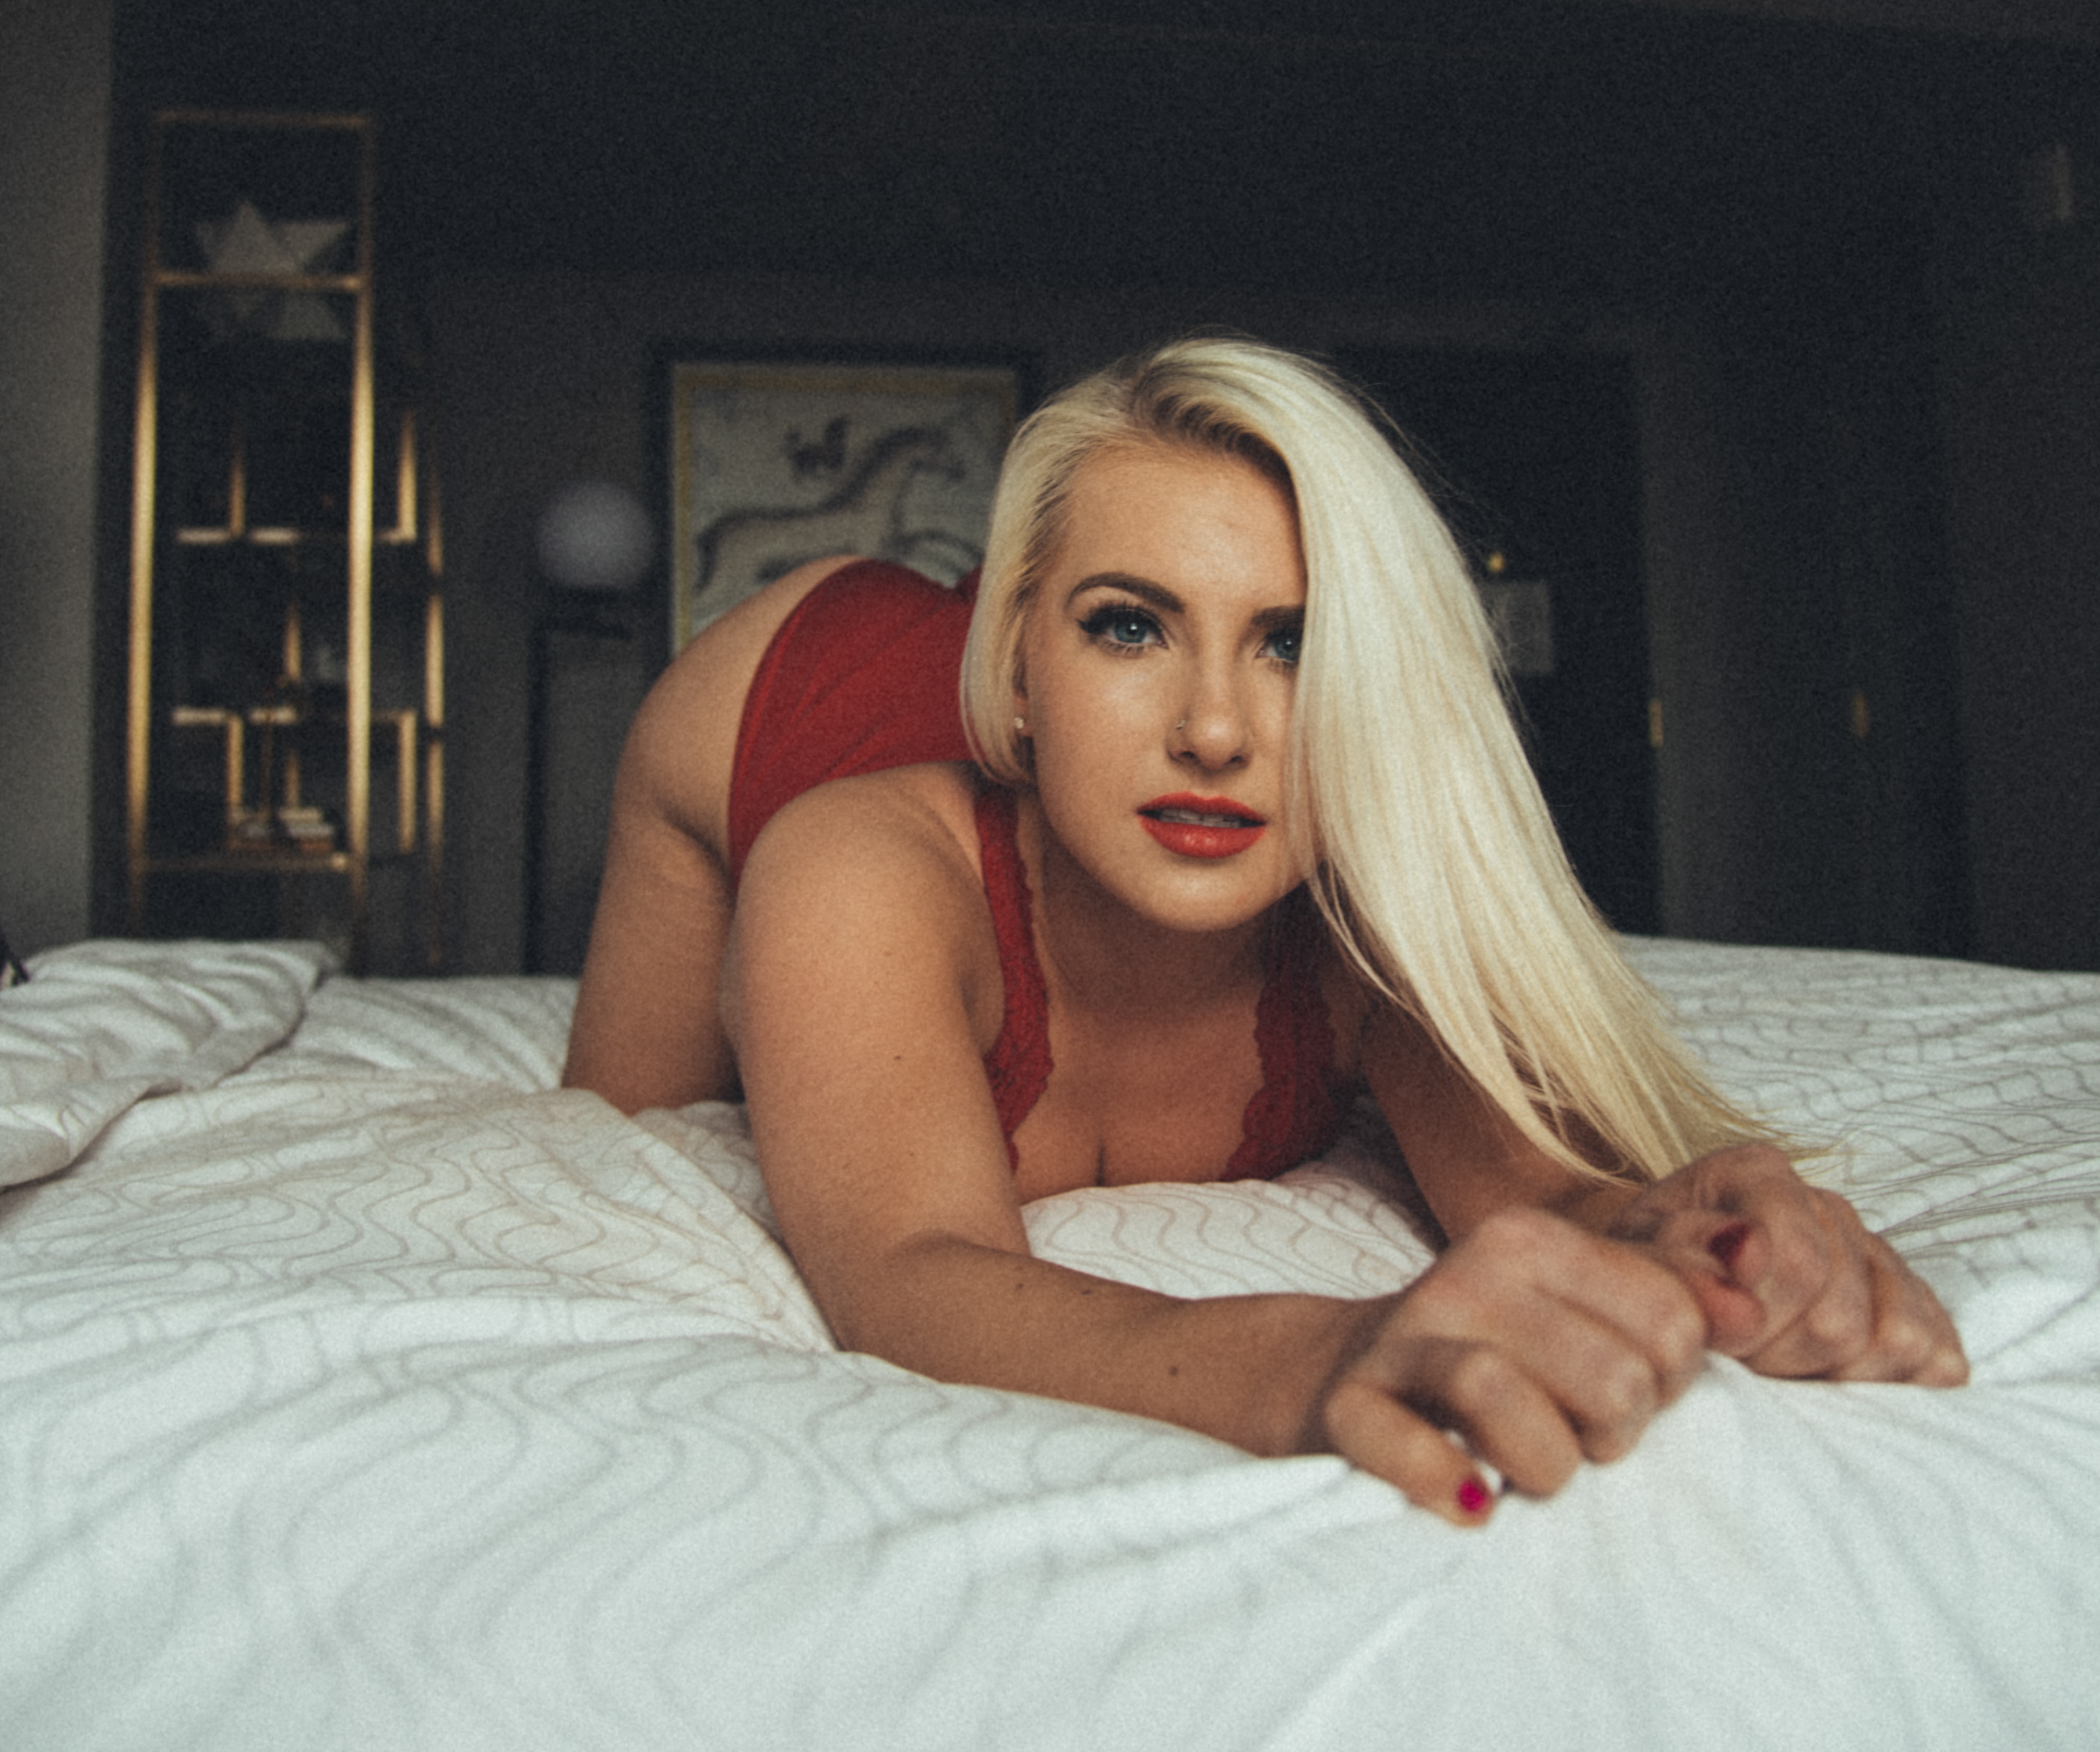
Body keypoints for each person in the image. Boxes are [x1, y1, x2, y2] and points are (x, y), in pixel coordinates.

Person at [565, 336, 1964, 1523]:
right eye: (1130, 626)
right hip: (787, 692)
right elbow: (907, 1270)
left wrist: (1711, 1232)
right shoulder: (851, 858)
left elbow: (1545, 1191)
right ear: (1019, 660)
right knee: (623, 1137)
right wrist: (1322, 1353)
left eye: (1293, 642)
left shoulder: (1358, 897)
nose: (1217, 730)